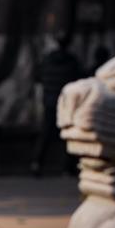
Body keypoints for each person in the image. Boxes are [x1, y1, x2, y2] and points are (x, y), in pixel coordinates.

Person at [31, 36, 82, 177]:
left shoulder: (47, 61)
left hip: (49, 101)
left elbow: (37, 76)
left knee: (45, 134)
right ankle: (67, 168)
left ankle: (36, 163)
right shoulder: (71, 61)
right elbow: (78, 78)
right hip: (66, 103)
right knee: (68, 135)